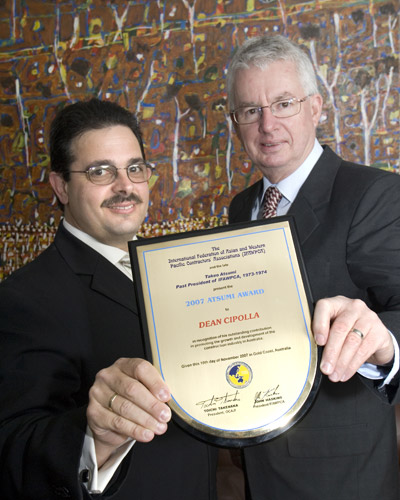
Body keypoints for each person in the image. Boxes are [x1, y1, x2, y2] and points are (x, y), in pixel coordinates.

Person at [0, 98, 218, 499]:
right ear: (61, 187)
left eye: (134, 168)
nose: (125, 187)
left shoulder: (177, 271)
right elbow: (12, 447)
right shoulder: (24, 298)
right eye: (100, 171)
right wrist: (94, 434)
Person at [227, 34, 400, 500]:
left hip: (343, 476)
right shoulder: (241, 207)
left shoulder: (373, 195)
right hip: (252, 460)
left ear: (316, 107)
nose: (267, 124)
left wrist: (382, 339)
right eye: (250, 110)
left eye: (283, 103)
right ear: (235, 123)